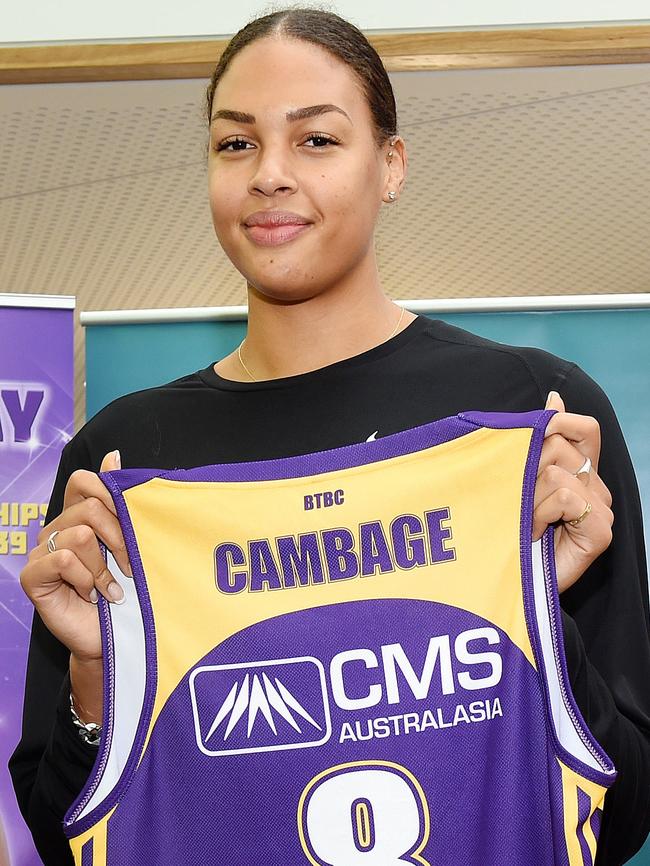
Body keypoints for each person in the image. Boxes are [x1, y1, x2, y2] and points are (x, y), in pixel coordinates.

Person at [8, 8, 650, 865]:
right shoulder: (129, 455)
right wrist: (97, 680)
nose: (270, 175)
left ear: (390, 165)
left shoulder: (530, 416)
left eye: (316, 140)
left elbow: (626, 810)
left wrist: (531, 614)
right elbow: (65, 838)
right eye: (235, 145)